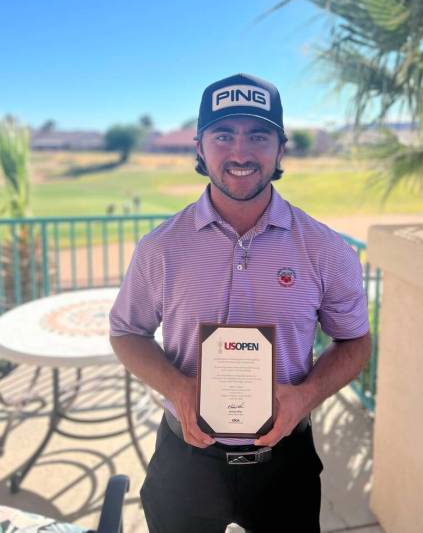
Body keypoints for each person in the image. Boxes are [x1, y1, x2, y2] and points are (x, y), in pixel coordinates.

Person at [109, 73, 371, 533]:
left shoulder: (326, 250)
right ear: (198, 147)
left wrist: (305, 396)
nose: (240, 152)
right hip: (185, 460)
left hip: (283, 463)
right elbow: (127, 332)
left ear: (281, 148)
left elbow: (355, 343)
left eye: (259, 135)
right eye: (223, 135)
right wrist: (179, 388)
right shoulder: (161, 248)